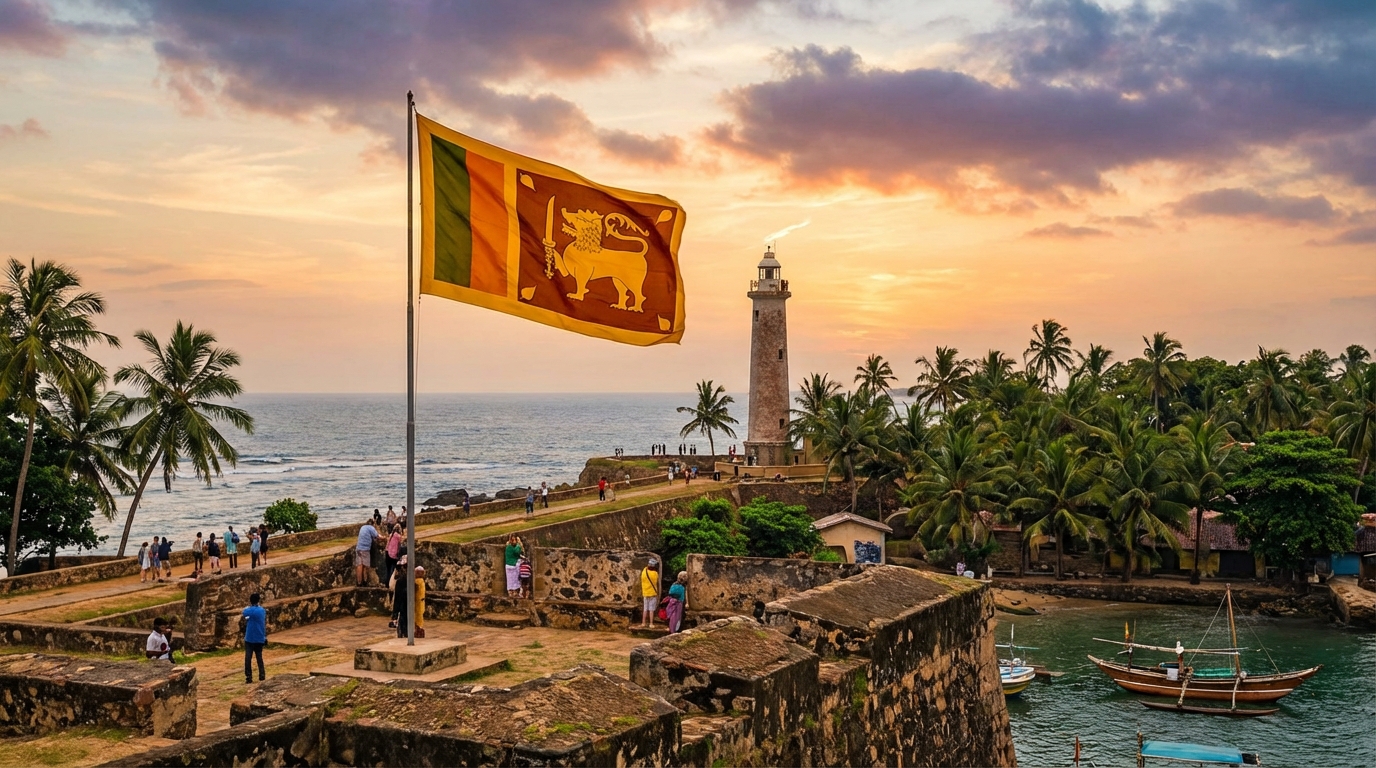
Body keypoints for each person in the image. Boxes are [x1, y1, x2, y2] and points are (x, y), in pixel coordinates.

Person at [242, 593, 267, 684]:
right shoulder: (262, 610)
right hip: (260, 637)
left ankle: (249, 677)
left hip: (249, 638)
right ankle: (262, 675)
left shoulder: (249, 611)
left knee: (248, 658)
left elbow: (244, 613)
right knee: (259, 658)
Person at [356, 519, 379, 586]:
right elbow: (377, 536)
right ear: (372, 524)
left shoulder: (362, 527)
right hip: (365, 549)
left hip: (358, 548)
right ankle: (365, 582)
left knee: (359, 565)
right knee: (366, 566)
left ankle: (359, 582)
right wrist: (384, 538)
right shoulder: (371, 528)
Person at [640, 558, 661, 628]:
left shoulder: (644, 571)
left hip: (645, 593)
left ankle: (643, 623)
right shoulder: (655, 574)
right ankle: (651, 623)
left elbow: (646, 568)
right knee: (651, 609)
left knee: (645, 609)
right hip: (652, 593)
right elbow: (657, 582)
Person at [390, 553, 407, 631]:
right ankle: (396, 620)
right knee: (398, 605)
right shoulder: (400, 578)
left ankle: (396, 620)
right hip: (401, 589)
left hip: (403, 590)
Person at [412, 565, 427, 638]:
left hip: (418, 602)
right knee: (419, 617)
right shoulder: (422, 581)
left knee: (417, 617)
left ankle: (418, 631)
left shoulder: (417, 582)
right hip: (421, 601)